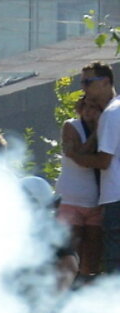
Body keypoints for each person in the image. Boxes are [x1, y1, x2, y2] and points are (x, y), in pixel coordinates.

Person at [68, 62, 120, 273]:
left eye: (88, 82)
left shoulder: (111, 114)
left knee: (114, 262)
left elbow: (103, 161)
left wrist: (75, 157)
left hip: (115, 197)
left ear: (106, 82)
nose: (83, 87)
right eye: (82, 82)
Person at [56, 96, 104, 276]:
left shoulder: (108, 130)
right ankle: (69, 286)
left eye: (94, 107)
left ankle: (88, 287)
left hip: (96, 200)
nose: (89, 111)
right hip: (71, 199)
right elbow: (78, 156)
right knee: (70, 252)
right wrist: (96, 132)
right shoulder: (72, 126)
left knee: (92, 255)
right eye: (86, 107)